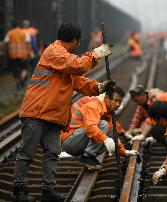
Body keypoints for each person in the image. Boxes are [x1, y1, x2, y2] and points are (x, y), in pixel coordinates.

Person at [13, 23, 113, 202]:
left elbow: (79, 82)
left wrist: (98, 87)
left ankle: (48, 190)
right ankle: (19, 191)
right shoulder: (54, 52)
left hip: (53, 116)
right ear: (75, 40)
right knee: (27, 153)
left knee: (52, 152)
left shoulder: (64, 59)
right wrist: (96, 54)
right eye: (78, 42)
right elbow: (78, 66)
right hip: (36, 112)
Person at [61, 86, 138, 169]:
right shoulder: (94, 106)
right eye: (115, 100)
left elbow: (114, 134)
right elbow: (91, 127)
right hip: (70, 141)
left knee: (111, 131)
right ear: (106, 98)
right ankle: (87, 157)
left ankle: (89, 156)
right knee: (103, 125)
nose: (118, 105)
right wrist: (105, 139)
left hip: (78, 140)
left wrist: (124, 152)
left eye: (120, 101)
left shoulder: (107, 113)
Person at [4, 20, 31, 90]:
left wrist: (7, 52)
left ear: (12, 26)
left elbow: (5, 43)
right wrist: (29, 53)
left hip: (12, 55)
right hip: (23, 55)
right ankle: (22, 78)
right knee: (24, 68)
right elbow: (28, 43)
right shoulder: (24, 33)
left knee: (14, 70)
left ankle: (17, 84)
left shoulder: (10, 33)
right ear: (19, 26)